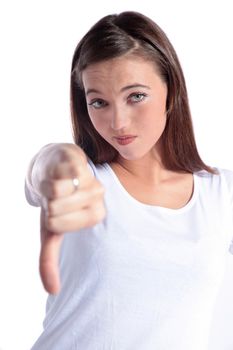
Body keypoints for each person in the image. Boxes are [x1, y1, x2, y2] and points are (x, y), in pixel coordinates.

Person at [25, 11, 233, 350]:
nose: (118, 122)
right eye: (99, 103)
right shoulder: (83, 180)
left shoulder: (222, 194)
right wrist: (56, 162)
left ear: (171, 89)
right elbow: (43, 170)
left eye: (135, 96)